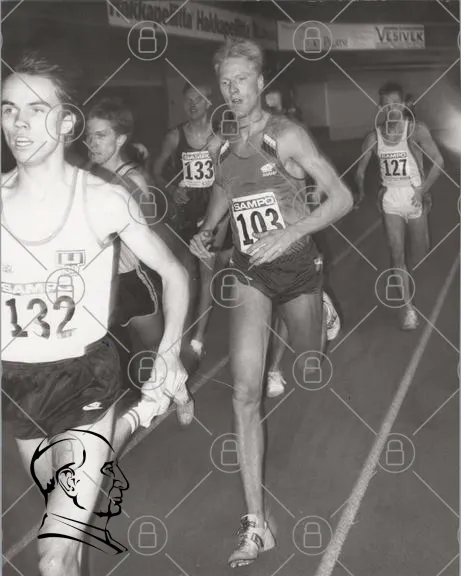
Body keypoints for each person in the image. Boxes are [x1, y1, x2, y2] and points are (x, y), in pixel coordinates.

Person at [1, 49, 189, 576]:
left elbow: (173, 272)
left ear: (67, 122)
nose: (18, 123)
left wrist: (169, 351)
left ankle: (128, 418)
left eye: (36, 109)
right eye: (8, 109)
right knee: (64, 524)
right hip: (17, 383)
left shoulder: (104, 199)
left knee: (53, 556)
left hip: (85, 379)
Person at [190, 38, 353, 567]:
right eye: (225, 81)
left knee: (310, 362)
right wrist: (210, 228)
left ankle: (321, 308)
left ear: (261, 83)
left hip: (298, 264)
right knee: (244, 391)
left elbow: (342, 197)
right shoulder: (220, 142)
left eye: (242, 79)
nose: (233, 89)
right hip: (250, 269)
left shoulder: (286, 135)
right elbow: (225, 188)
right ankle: (256, 523)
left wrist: (290, 232)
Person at [85, 96, 194, 425]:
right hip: (98, 286)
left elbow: (148, 233)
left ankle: (179, 390)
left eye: (100, 135)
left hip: (131, 280)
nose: (92, 142)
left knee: (157, 347)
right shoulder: (87, 176)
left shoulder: (132, 181)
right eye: (89, 135)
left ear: (120, 139)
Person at [262, 87, 342, 398]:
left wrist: (315, 195)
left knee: (286, 315)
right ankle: (273, 368)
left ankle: (318, 310)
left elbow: (324, 174)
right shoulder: (245, 139)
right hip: (259, 242)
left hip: (295, 237)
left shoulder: (294, 135)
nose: (270, 112)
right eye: (265, 106)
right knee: (274, 309)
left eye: (275, 106)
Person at [356, 82, 443, 329]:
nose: (390, 108)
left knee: (419, 254)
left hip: (415, 197)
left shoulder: (416, 130)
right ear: (380, 107)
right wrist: (361, 192)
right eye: (386, 104)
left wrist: (423, 190)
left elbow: (439, 161)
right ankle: (408, 309)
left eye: (395, 103)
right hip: (391, 200)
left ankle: (416, 253)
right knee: (397, 255)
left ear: (403, 105)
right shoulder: (374, 137)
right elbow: (360, 170)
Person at [153, 82, 229, 358]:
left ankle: (197, 338)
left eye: (198, 99)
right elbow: (156, 171)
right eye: (188, 100)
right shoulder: (175, 137)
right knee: (188, 272)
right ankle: (183, 328)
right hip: (187, 212)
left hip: (216, 209)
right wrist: (172, 189)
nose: (193, 104)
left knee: (209, 270)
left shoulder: (222, 136)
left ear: (209, 102)